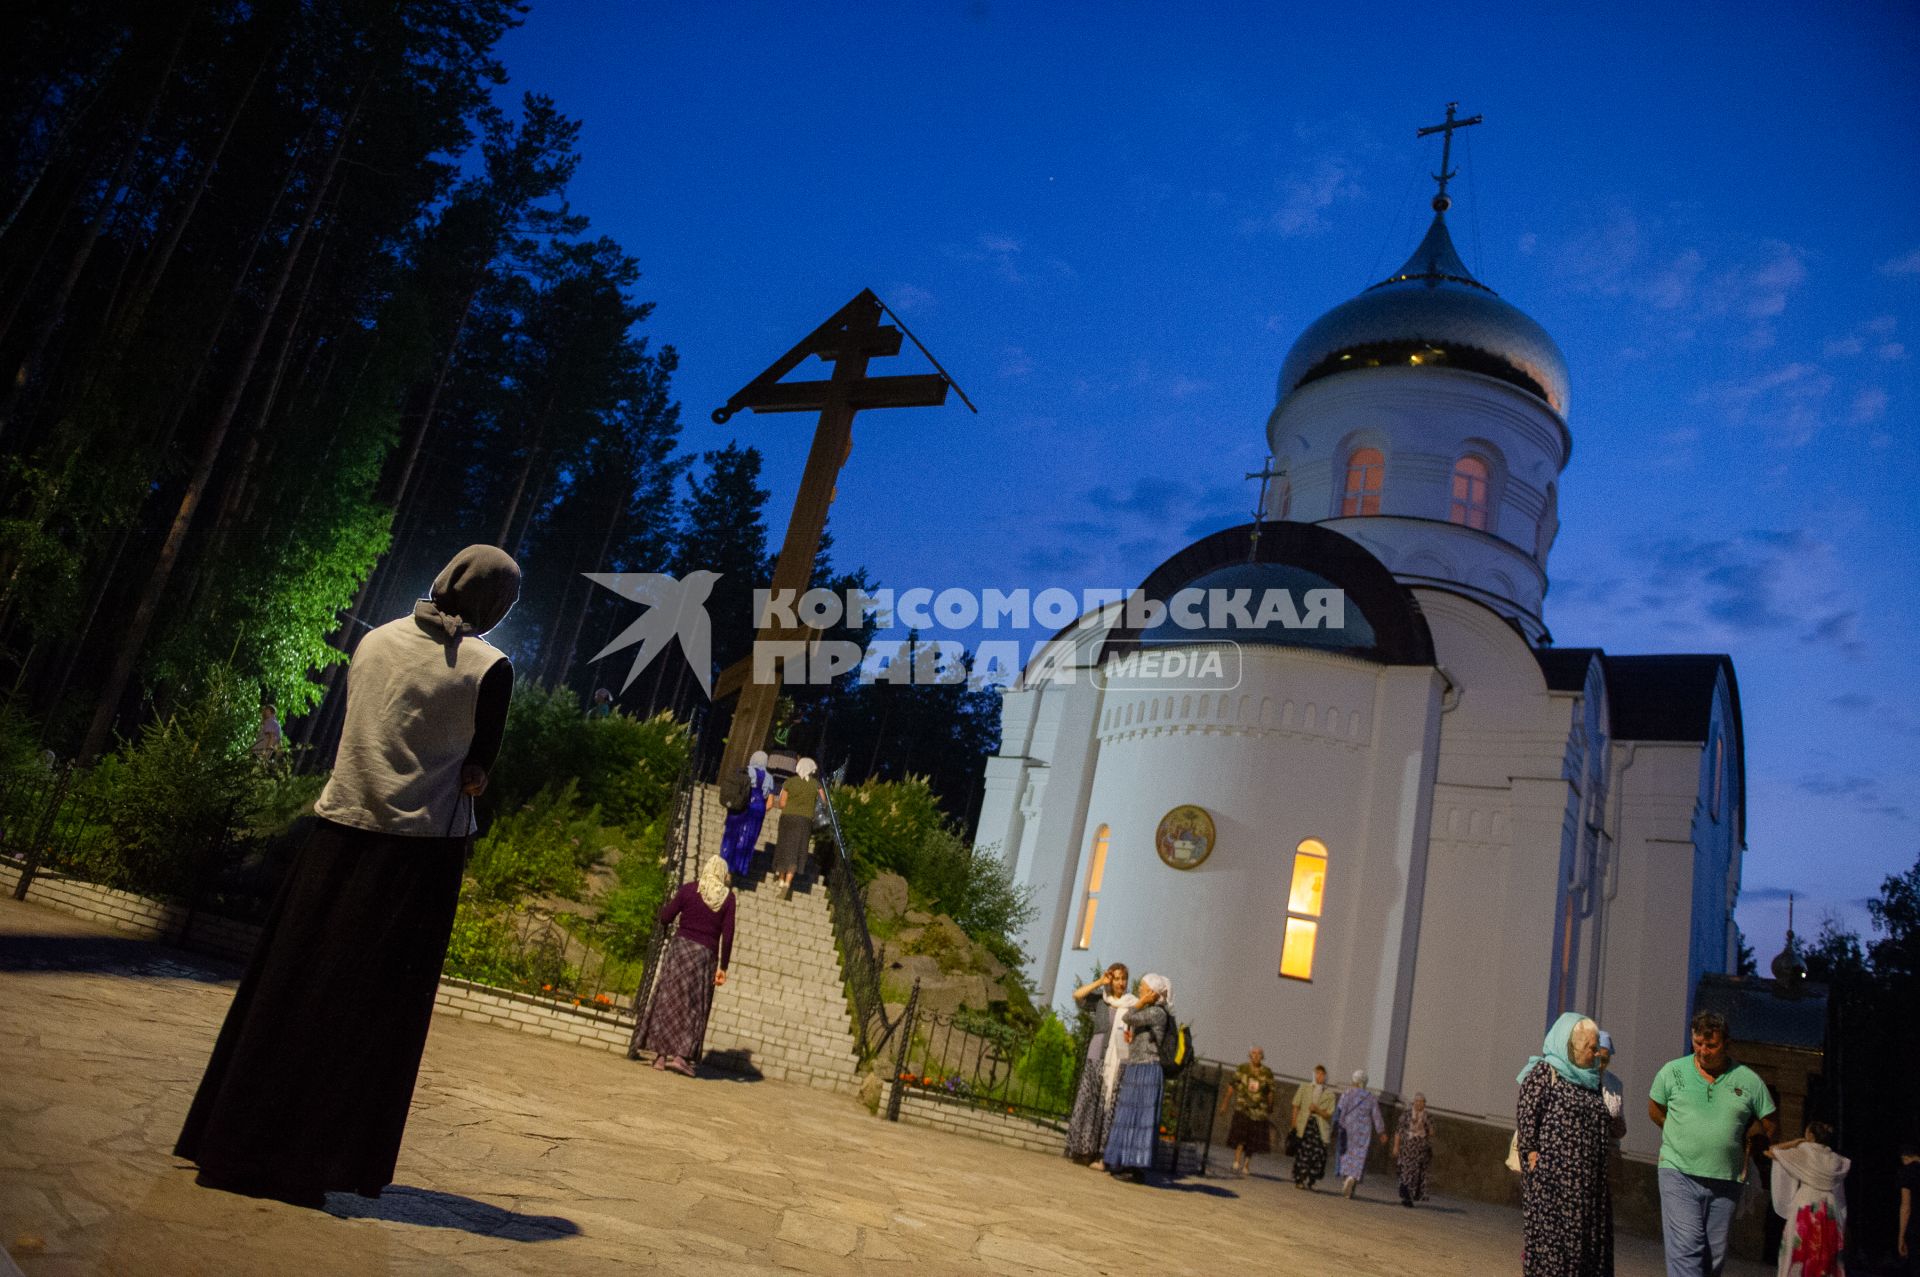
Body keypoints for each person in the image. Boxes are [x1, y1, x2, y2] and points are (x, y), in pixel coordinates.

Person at [175, 545, 520, 1208]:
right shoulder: (490, 669)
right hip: (415, 859)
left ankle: (230, 1139)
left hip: (334, 837)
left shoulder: (376, 640)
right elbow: (476, 772)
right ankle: (312, 1159)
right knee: (362, 1012)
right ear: (495, 602)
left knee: (288, 989)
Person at [1649, 1009, 1778, 1277]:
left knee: (1712, 1256)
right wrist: (1680, 1131)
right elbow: (1655, 1109)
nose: (1703, 1051)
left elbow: (1770, 1123)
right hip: (1678, 1172)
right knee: (1687, 1247)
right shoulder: (1672, 1072)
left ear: (1726, 1044)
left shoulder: (1748, 1080)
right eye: (1698, 1043)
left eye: (1711, 1045)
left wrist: (1747, 1132)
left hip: (1726, 1178)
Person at [1517, 1011, 1614, 1277]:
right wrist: (1533, 1156)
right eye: (1590, 1048)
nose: (1596, 1054)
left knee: (1585, 1249)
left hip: (1589, 1183)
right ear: (1570, 1047)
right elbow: (1527, 1118)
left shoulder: (1591, 1080)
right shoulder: (1544, 1072)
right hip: (1554, 1181)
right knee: (1555, 1247)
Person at [632, 854, 736, 1077]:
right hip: (704, 956)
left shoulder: (690, 889)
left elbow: (666, 916)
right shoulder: (727, 899)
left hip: (680, 951)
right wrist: (723, 966)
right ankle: (681, 1057)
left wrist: (669, 920)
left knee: (668, 1000)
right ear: (722, 873)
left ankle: (660, 1057)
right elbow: (728, 935)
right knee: (693, 1006)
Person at [1101, 973, 1172, 1184]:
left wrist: (1140, 1003)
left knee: (1140, 1119)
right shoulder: (1151, 1012)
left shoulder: (1157, 1013)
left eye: (1143, 988)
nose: (1140, 990)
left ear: (1152, 992)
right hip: (1138, 1067)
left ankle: (1135, 1166)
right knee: (1130, 1115)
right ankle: (1124, 1161)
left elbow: (1127, 1016)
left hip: (1147, 1069)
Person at [1064, 963, 1135, 1167]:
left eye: (1124, 979)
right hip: (1096, 1058)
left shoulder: (1132, 1005)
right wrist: (1099, 982)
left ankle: (1103, 1152)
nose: (1121, 983)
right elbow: (1077, 995)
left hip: (1117, 1062)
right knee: (1089, 1102)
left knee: (1108, 1106)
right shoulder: (1101, 1002)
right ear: (1110, 980)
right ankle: (1084, 1149)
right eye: (1117, 978)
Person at [1764, 1122, 1849, 1277]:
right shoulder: (1836, 1159)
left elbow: (1771, 1151)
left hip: (1807, 1203)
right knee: (1825, 1252)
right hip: (1829, 1207)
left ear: (1810, 1136)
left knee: (1800, 1250)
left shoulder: (1805, 1152)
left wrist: (1795, 1142)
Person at [1220, 1047, 1278, 1177]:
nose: (1256, 1056)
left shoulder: (1267, 1072)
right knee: (1240, 1136)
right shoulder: (1242, 1068)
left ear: (1262, 1057)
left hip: (1258, 1111)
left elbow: (1270, 1091)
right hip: (1243, 1107)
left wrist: (1270, 1106)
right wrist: (1225, 1103)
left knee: (1253, 1139)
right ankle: (1236, 1161)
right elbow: (1232, 1085)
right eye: (1254, 1053)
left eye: (1259, 1054)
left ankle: (1246, 1164)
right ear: (1250, 1056)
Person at [719, 749, 773, 880]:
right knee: (746, 840)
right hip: (756, 811)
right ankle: (735, 869)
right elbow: (770, 803)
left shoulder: (744, 771)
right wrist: (759, 810)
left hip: (739, 808)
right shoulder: (769, 778)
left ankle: (724, 867)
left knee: (731, 836)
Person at [1334, 1069, 1387, 1199]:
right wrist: (1381, 1132)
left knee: (1346, 1154)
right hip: (1363, 1132)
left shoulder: (1347, 1094)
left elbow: (1340, 1110)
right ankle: (1353, 1178)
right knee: (1359, 1156)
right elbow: (1376, 1116)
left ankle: (1347, 1178)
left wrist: (1339, 1125)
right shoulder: (1371, 1097)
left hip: (1348, 1128)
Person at [771, 758, 819, 899]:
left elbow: (782, 803)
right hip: (805, 822)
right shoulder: (815, 785)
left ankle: (780, 880)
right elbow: (823, 802)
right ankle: (787, 884)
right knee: (797, 851)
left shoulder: (790, 782)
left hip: (788, 818)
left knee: (784, 847)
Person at [1290, 1065, 1337, 1190]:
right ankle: (1299, 1178)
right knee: (1303, 1152)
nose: (1319, 1076)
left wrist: (1317, 1110)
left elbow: (1329, 1114)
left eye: (1322, 1074)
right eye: (1317, 1073)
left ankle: (1312, 1180)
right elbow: (1296, 1104)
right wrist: (1294, 1122)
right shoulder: (1305, 1087)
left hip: (1320, 1128)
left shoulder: (1329, 1094)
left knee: (1318, 1153)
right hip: (1305, 1124)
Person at [1394, 1092, 1435, 1206]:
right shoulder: (1406, 1114)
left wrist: (1427, 1125)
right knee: (1406, 1171)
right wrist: (1396, 1146)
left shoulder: (1427, 1116)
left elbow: (1432, 1133)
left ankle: (1410, 1197)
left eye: (1421, 1102)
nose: (1418, 1104)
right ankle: (1405, 1194)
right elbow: (1398, 1131)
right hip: (1407, 1147)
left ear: (1424, 1104)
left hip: (1420, 1149)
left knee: (1416, 1174)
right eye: (1417, 1101)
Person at [1596, 1031, 1628, 1142]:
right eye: (1598, 1059)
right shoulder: (1578, 1079)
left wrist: (1618, 1127)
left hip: (1609, 1144)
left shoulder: (1615, 1084)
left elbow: (1619, 1116)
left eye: (1604, 1060)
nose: (1600, 1064)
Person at [1898, 1141, 1918, 1275]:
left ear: (1905, 1157)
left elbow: (1906, 1207)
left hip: (1916, 1227)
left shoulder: (1908, 1172)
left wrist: (1901, 1236)